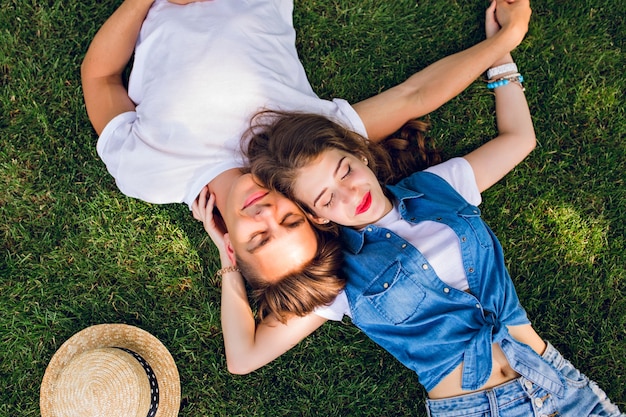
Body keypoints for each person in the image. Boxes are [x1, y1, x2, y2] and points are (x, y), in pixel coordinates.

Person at [200, 2, 625, 415]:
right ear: (317, 216)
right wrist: (229, 259)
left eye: (344, 171)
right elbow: (244, 357)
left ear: (359, 155)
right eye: (327, 198)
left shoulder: (437, 188)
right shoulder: (340, 275)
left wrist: (503, 51)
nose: (350, 195)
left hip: (564, 390)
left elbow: (519, 140)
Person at [82, 0, 531, 288]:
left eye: (259, 237)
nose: (264, 214)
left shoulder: (150, 176)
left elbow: (100, 78)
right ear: (305, 206)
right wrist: (506, 41)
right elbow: (415, 95)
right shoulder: (304, 145)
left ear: (232, 248)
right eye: (290, 220)